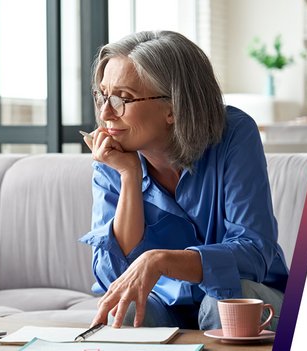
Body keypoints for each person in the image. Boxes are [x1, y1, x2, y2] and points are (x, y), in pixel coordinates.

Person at [79, 30, 288, 331]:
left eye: (123, 98)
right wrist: (129, 176)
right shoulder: (113, 155)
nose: (106, 113)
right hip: (166, 302)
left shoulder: (234, 135)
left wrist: (161, 260)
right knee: (122, 312)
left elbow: (254, 252)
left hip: (248, 294)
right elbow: (112, 277)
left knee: (222, 302)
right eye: (103, 95)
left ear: (173, 108)